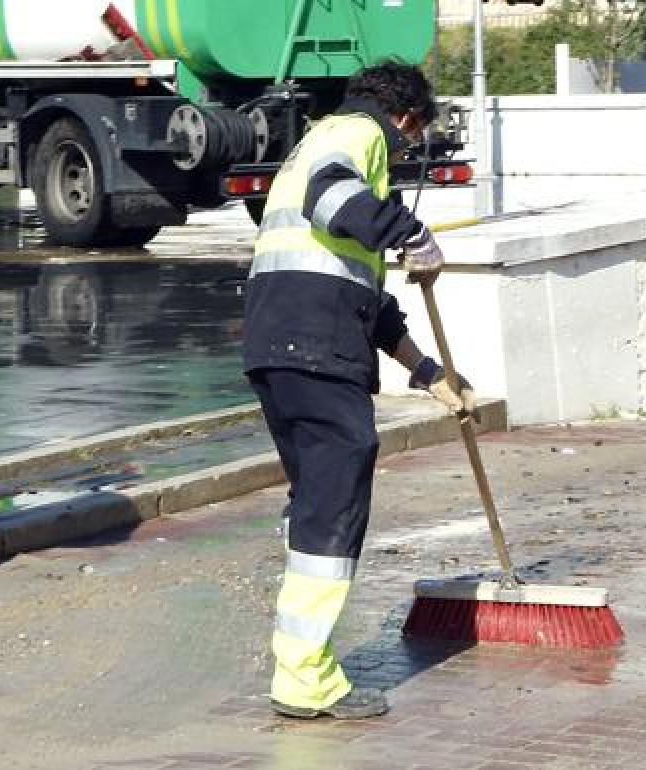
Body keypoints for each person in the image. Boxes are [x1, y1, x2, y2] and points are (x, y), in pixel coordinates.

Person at [243, 59, 475, 720]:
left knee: (318, 497)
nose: (406, 153)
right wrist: (412, 232)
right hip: (316, 348)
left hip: (278, 344)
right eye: (412, 140)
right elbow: (332, 197)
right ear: (405, 118)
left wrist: (428, 372)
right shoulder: (359, 139)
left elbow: (363, 298)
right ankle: (305, 677)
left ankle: (301, 654)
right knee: (335, 501)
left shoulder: (319, 138)